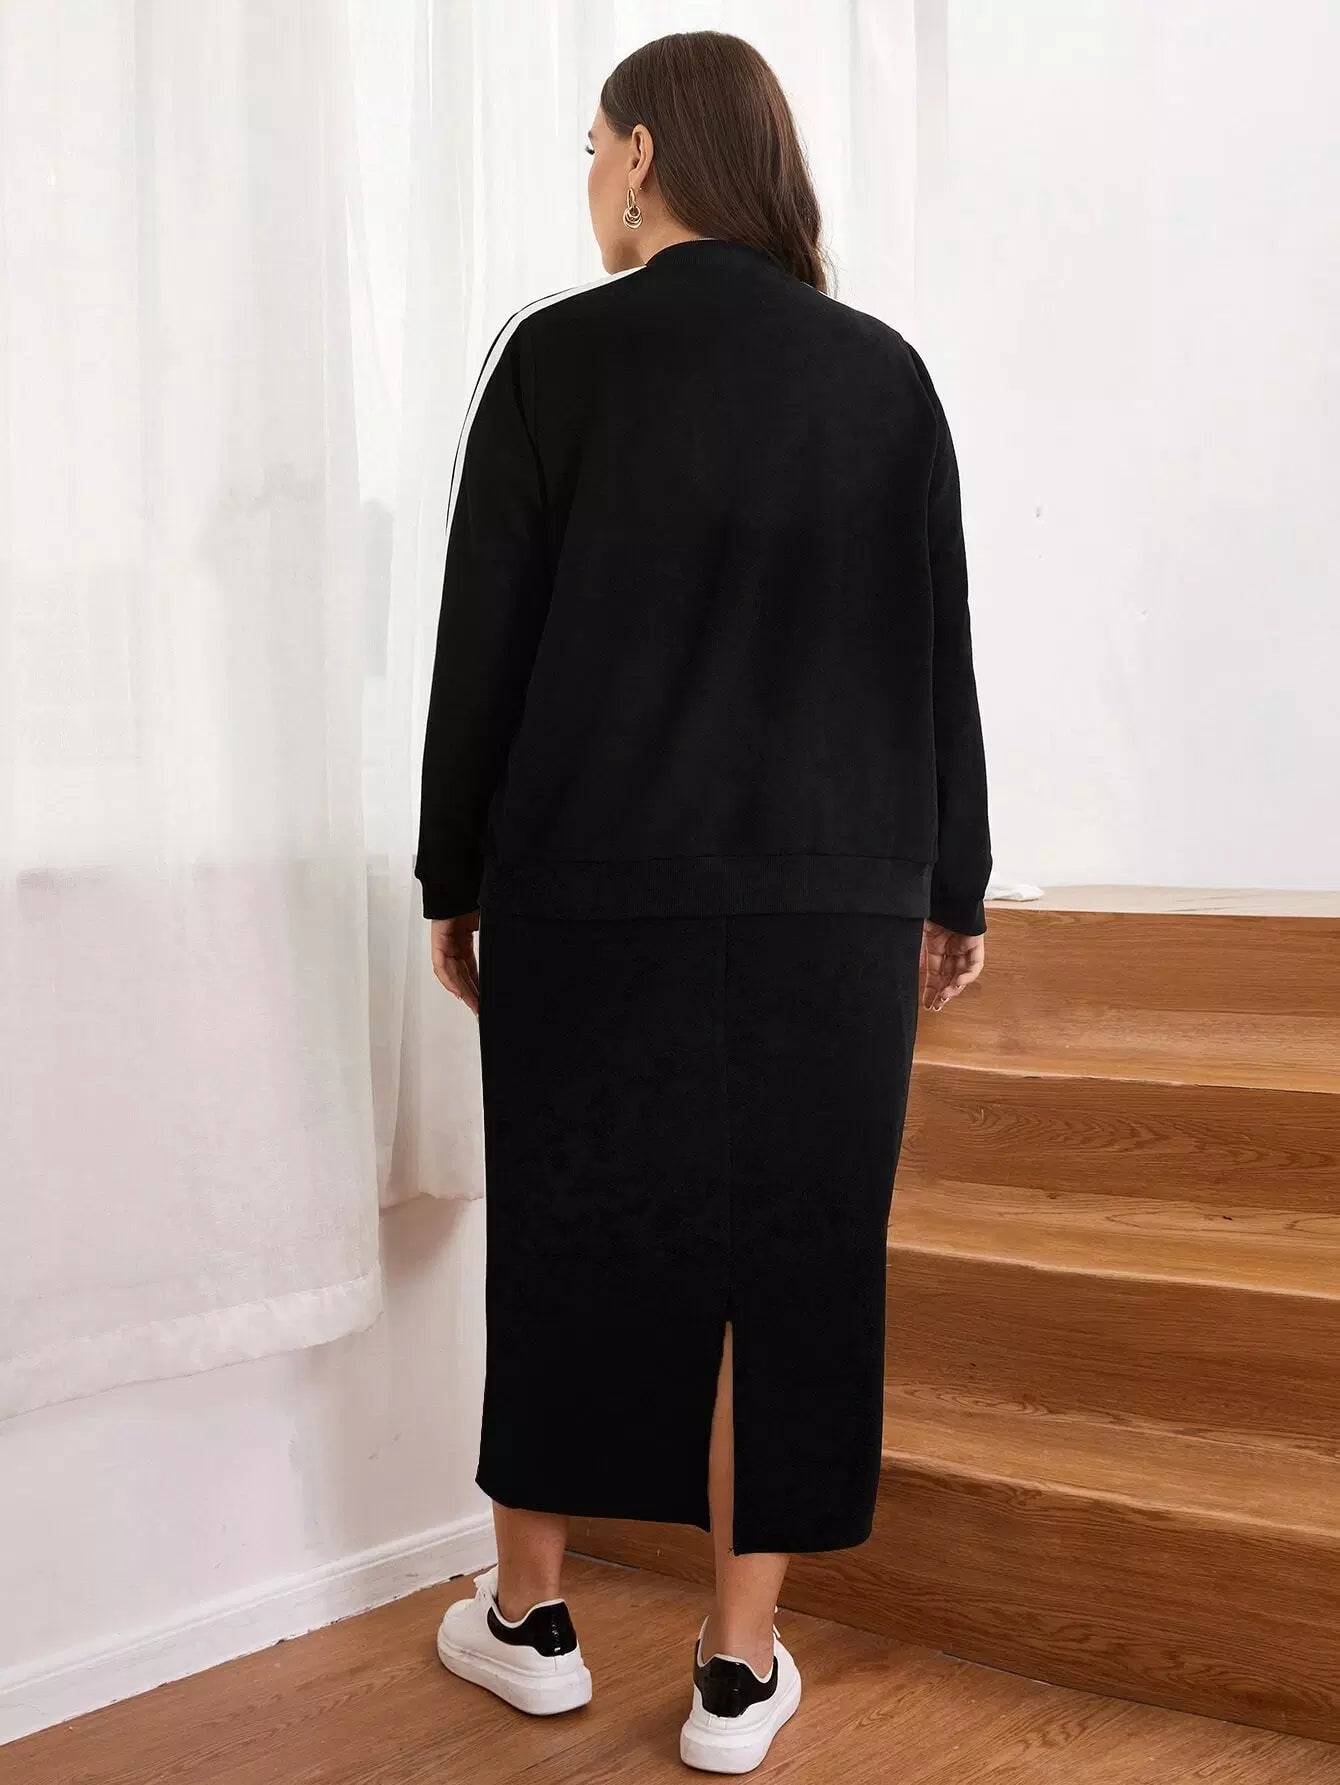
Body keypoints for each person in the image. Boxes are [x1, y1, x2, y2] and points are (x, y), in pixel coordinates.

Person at [416, 28, 990, 1776]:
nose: (589, 176)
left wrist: (454, 873)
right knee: (799, 1266)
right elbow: (933, 647)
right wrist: (953, 878)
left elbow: (482, 642)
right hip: (834, 896)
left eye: (592, 146)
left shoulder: (556, 359)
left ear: (647, 155)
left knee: (571, 1240)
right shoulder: (881, 374)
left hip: (590, 891)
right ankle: (739, 1669)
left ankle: (531, 1621)